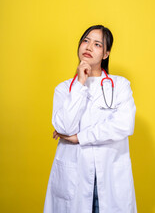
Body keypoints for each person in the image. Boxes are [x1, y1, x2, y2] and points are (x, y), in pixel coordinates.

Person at [43, 25, 137, 213]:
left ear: (105, 54)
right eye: (85, 41)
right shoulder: (64, 89)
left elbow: (124, 125)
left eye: (97, 44)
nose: (88, 47)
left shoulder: (120, 86)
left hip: (111, 179)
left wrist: (80, 137)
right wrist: (80, 83)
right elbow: (64, 127)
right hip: (74, 179)